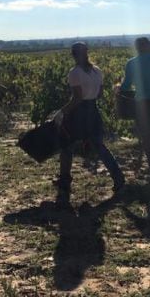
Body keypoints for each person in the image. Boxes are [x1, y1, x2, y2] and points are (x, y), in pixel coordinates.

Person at [53, 42, 125, 192]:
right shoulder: (97, 71)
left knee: (67, 145)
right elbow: (99, 94)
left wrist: (61, 112)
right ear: (86, 53)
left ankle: (64, 180)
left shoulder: (75, 73)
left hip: (78, 113)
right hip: (93, 110)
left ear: (73, 54)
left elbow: (77, 98)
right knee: (99, 145)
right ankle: (118, 177)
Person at [119, 37, 150, 176]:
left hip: (143, 102)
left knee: (147, 133)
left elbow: (127, 85)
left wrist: (118, 89)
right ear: (148, 46)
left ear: (136, 48)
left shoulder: (132, 63)